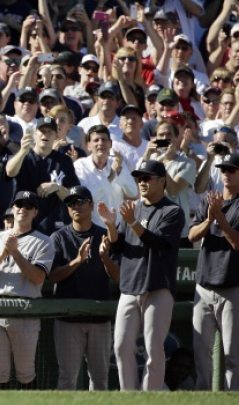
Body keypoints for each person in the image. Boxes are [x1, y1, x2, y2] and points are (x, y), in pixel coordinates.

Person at [104, 160, 185, 391]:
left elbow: (157, 242)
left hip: (158, 287)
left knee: (153, 348)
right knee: (120, 346)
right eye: (139, 178)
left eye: (147, 178)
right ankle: (129, 396)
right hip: (130, 287)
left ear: (162, 181)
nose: (142, 182)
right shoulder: (133, 208)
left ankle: (151, 397)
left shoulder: (172, 210)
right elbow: (118, 247)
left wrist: (132, 222)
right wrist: (111, 226)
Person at [0, 191, 54, 389]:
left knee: (25, 372)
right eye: (19, 205)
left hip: (25, 308)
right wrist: (3, 254)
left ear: (35, 212)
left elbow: (38, 277)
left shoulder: (44, 241)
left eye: (28, 206)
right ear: (13, 209)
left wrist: (15, 253)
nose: (23, 209)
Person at [48, 186, 120, 391]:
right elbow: (52, 277)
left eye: (80, 201)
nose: (75, 206)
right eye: (71, 203)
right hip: (68, 318)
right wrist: (77, 261)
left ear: (91, 205)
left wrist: (105, 257)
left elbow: (117, 276)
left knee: (100, 381)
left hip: (99, 317)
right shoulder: (59, 237)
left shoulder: (105, 234)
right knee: (67, 379)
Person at [188, 152, 239, 391]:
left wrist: (219, 216)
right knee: (201, 353)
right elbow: (191, 236)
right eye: (224, 169)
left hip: (232, 286)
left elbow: (237, 243)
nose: (227, 173)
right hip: (204, 285)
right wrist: (210, 219)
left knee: (233, 356)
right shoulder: (210, 200)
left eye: (232, 170)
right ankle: (203, 397)